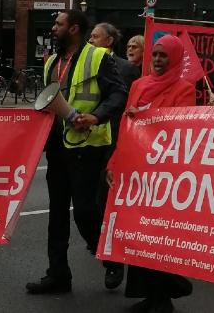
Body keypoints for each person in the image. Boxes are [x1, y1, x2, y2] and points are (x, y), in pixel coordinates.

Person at [26, 10, 127, 295]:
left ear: (73, 29)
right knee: (57, 214)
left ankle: (110, 257)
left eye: (58, 24)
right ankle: (57, 274)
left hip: (89, 145)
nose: (53, 27)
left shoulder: (98, 57)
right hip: (58, 146)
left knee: (84, 211)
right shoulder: (52, 63)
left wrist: (96, 116)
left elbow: (119, 94)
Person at [108, 34, 195, 313]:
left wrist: (146, 117)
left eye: (163, 56)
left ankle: (164, 294)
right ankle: (149, 293)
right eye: (155, 55)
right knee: (137, 232)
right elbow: (125, 126)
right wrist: (114, 162)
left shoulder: (184, 89)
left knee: (157, 234)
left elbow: (179, 126)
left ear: (174, 59)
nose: (158, 60)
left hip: (162, 170)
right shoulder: (138, 84)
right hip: (136, 167)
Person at [89, 22, 140, 289]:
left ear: (109, 41)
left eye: (95, 37)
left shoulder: (127, 69)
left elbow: (130, 105)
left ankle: (115, 261)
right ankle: (105, 251)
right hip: (87, 144)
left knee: (105, 204)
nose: (91, 40)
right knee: (89, 207)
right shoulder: (82, 64)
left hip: (113, 142)